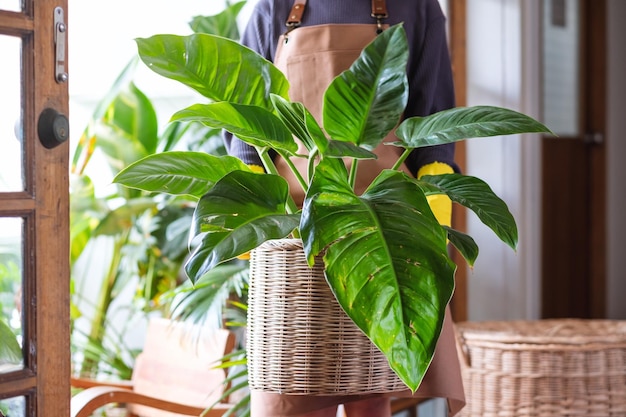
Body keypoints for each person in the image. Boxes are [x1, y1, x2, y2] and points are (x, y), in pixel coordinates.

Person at [225, 1, 466, 415]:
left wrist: (434, 213)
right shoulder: (276, 7)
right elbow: (246, 121)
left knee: (372, 393)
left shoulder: (417, 6)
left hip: (385, 235)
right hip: (295, 237)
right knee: (292, 392)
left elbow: (433, 119)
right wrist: (248, 209)